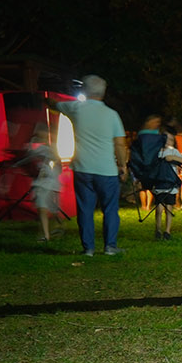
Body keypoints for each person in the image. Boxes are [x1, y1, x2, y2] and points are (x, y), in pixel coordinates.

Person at [52, 75, 127, 256]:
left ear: (84, 90)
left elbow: (52, 104)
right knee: (110, 209)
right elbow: (119, 144)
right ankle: (110, 246)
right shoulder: (112, 114)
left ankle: (88, 248)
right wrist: (122, 165)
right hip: (107, 170)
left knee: (85, 209)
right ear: (103, 92)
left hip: (83, 168)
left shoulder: (75, 108)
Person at [129, 115, 182, 240]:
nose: (168, 141)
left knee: (169, 208)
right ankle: (157, 229)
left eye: (171, 139)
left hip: (170, 184)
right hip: (159, 183)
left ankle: (167, 231)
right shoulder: (156, 151)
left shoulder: (173, 151)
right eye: (166, 139)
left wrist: (172, 158)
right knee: (158, 209)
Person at [19, 132, 64, 242]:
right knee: (42, 208)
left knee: (47, 209)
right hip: (43, 182)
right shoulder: (39, 150)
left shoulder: (48, 150)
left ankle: (53, 229)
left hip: (49, 182)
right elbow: (27, 159)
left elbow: (58, 165)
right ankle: (46, 234)